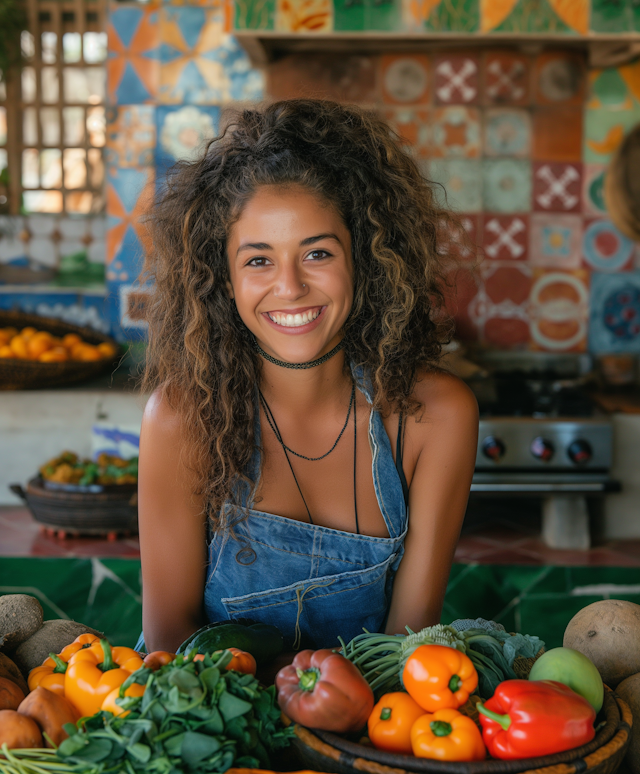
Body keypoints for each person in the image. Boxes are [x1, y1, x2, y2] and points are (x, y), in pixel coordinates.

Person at [136, 99, 479, 655]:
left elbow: (406, 652)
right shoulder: (182, 419)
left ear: (363, 262)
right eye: (258, 260)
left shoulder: (434, 418)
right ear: (222, 279)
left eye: (316, 253)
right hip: (218, 729)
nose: (290, 287)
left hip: (366, 733)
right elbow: (170, 642)